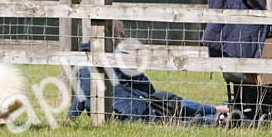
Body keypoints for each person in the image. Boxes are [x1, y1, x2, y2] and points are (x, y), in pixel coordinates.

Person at [68, 21, 231, 125]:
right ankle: (216, 111)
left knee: (172, 113)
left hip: (119, 118)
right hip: (136, 111)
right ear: (114, 36)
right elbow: (144, 85)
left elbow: (80, 97)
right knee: (166, 101)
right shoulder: (119, 58)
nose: (122, 38)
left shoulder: (82, 63)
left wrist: (71, 119)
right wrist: (153, 98)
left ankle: (216, 116)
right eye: (121, 34)